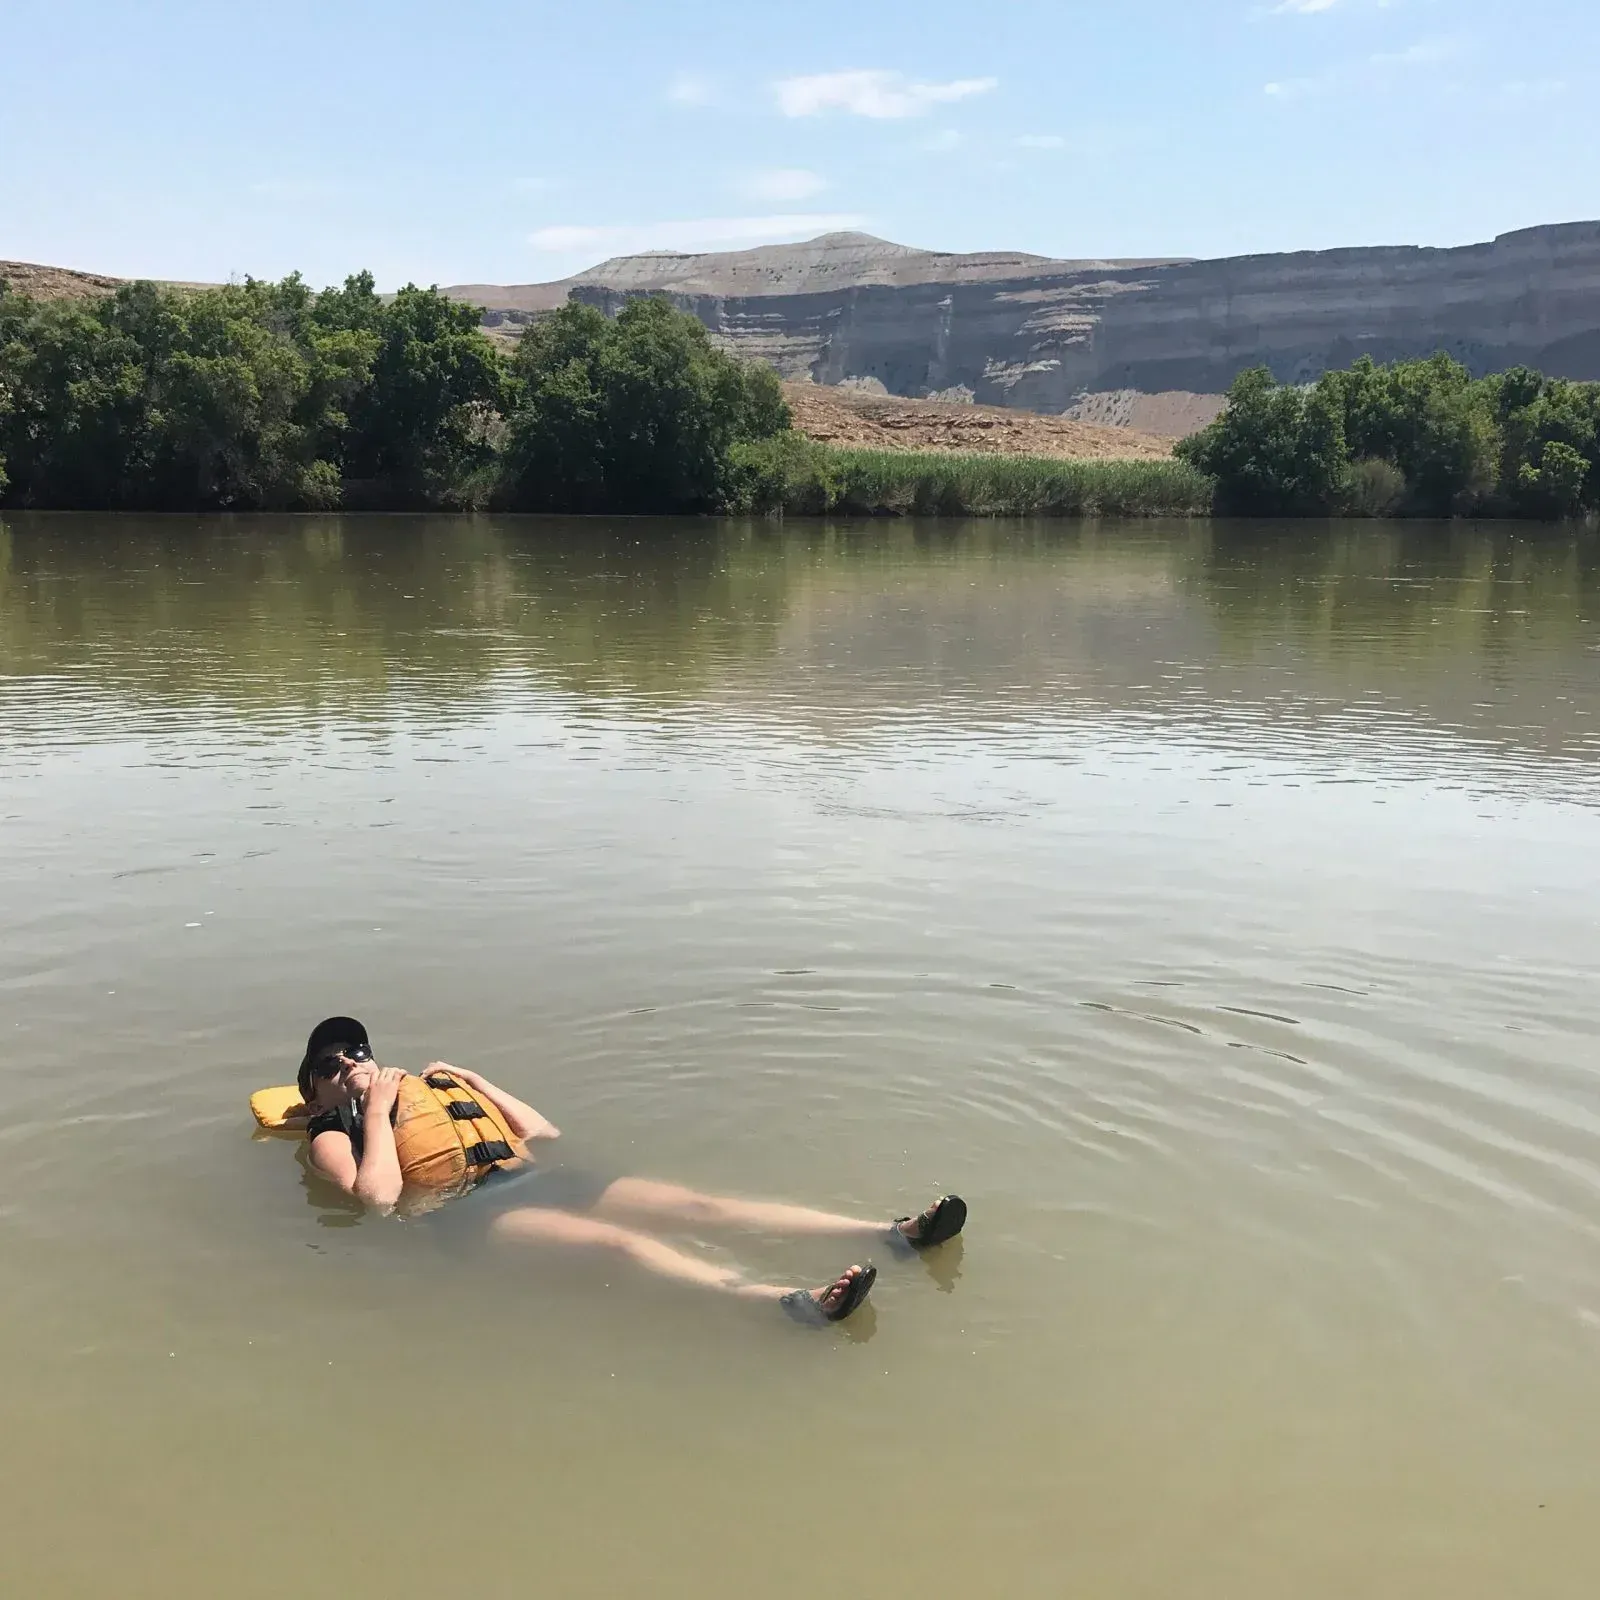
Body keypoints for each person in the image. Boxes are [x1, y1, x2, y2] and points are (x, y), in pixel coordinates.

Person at [290, 1017, 967, 1324]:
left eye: (354, 1051)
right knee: (624, 1245)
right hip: (470, 1210)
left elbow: (543, 1133)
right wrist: (372, 1113)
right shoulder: (332, 1129)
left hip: (531, 1174)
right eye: (329, 1066)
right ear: (313, 1093)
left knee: (704, 1208)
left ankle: (892, 1231)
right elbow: (376, 1200)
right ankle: (786, 1304)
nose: (348, 1064)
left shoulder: (425, 1087)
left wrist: (472, 1080)